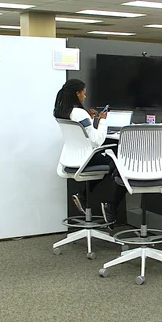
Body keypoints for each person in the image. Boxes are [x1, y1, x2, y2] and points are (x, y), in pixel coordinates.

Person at [52, 78, 126, 223]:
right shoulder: (80, 113)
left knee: (110, 164)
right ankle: (111, 206)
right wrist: (103, 120)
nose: (85, 97)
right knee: (121, 164)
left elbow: (84, 134)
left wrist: (91, 120)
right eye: (83, 94)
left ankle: (83, 195)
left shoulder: (62, 111)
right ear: (77, 93)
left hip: (72, 159)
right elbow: (97, 141)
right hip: (87, 158)